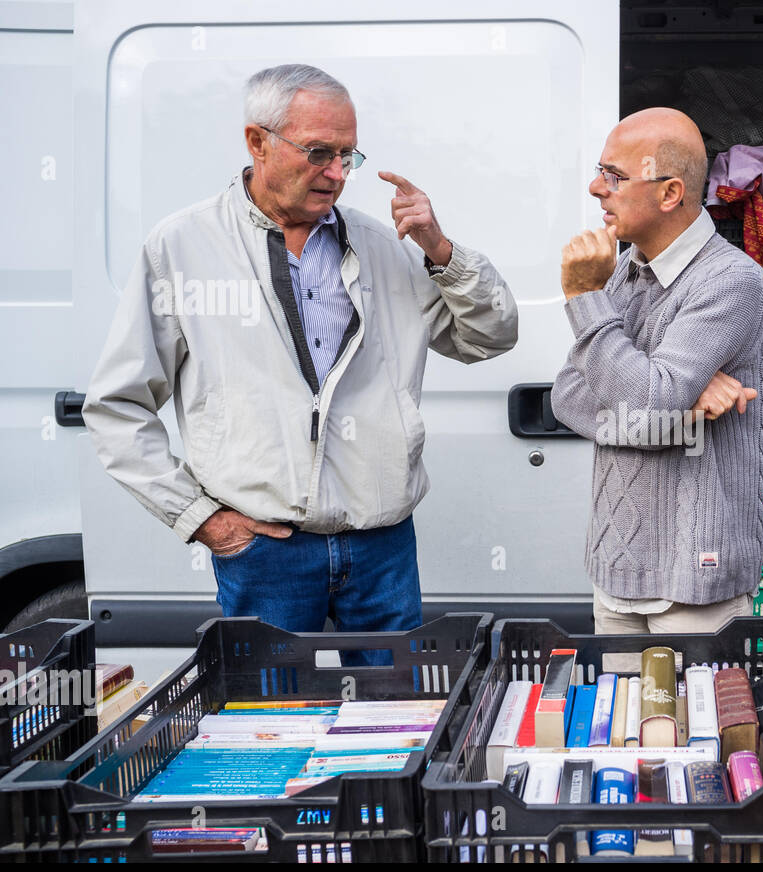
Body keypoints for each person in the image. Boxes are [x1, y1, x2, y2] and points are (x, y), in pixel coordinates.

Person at [82, 64, 518, 659]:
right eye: (318, 152)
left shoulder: (389, 245)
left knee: (395, 725)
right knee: (266, 731)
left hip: (382, 546)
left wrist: (442, 251)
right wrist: (203, 518)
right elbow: (115, 406)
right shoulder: (181, 246)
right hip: (265, 553)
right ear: (257, 142)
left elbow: (489, 338)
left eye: (347, 155)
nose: (337, 174)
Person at [550, 107, 763, 635]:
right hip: (615, 573)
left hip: (697, 582)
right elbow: (566, 396)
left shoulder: (732, 282)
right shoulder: (623, 267)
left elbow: (644, 403)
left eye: (614, 176)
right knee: (622, 719)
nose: (595, 187)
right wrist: (680, 409)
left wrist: (585, 298)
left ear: (670, 193)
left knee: (698, 721)